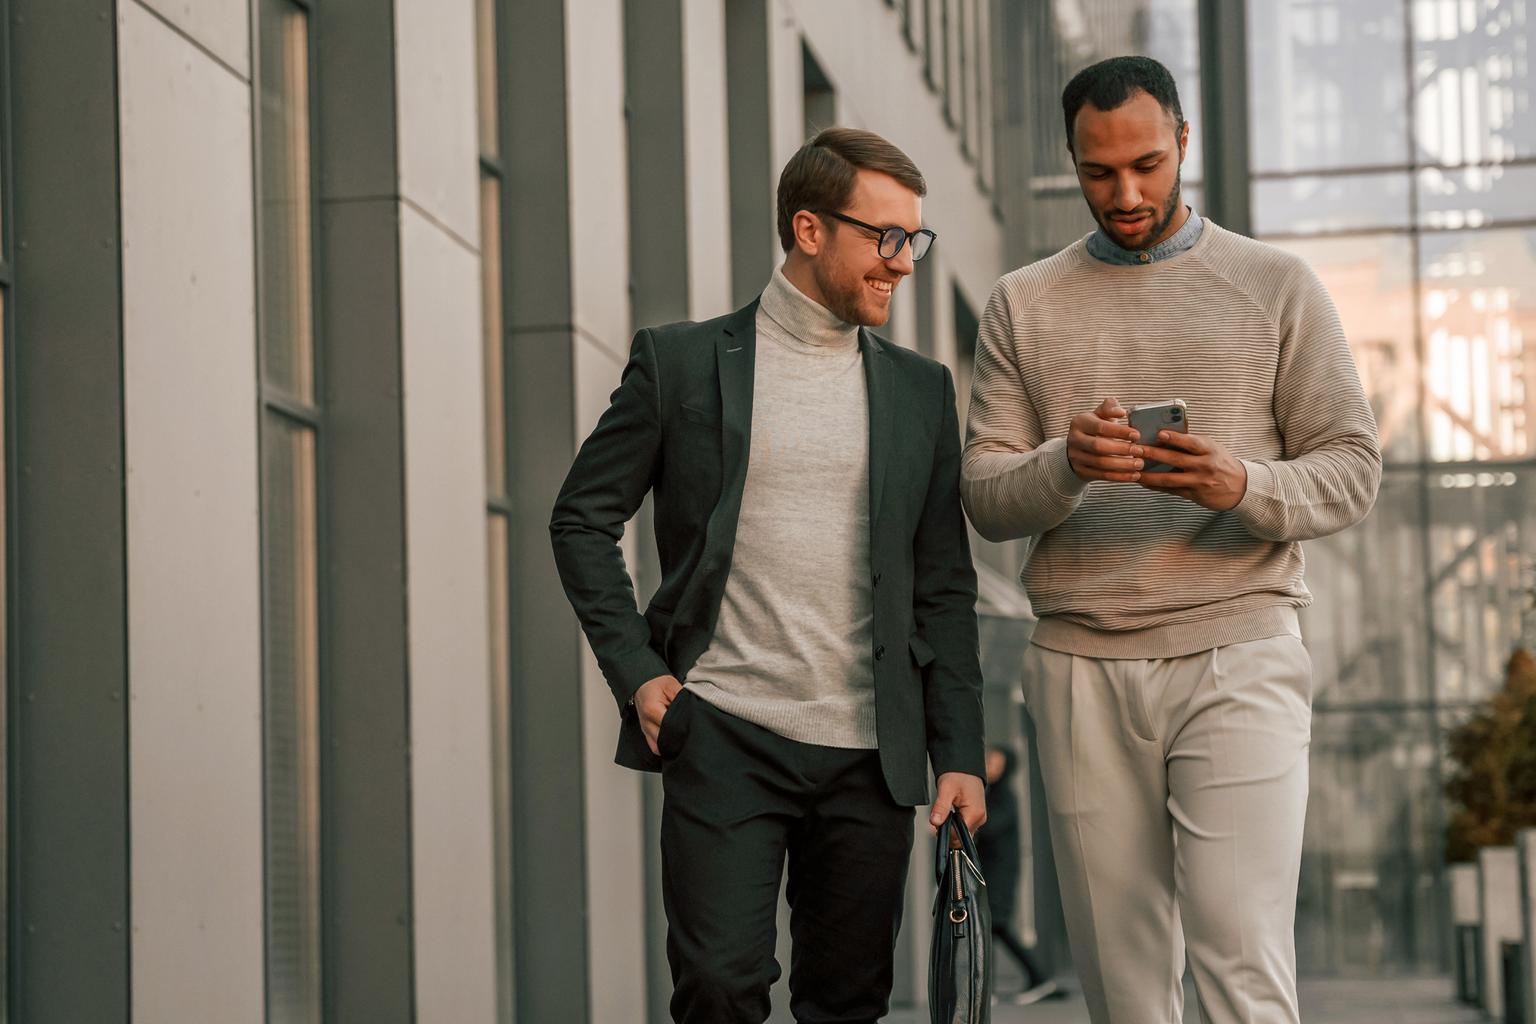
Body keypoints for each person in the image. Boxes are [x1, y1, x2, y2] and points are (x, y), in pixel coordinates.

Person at [959, 55, 1382, 1024]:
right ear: (1072, 161)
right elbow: (984, 492)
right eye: (1100, 172)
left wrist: (1245, 483)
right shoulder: (1024, 303)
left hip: (1240, 649)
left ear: (1184, 142)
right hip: (1080, 667)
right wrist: (1066, 461)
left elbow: (1353, 464)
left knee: (1241, 959)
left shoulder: (1276, 286)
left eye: (1147, 163)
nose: (1128, 192)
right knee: (1123, 985)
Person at [550, 126, 987, 1024]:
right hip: (726, 735)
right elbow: (581, 518)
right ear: (810, 228)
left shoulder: (921, 391)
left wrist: (960, 754)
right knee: (718, 987)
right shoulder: (681, 365)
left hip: (871, 753)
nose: (903, 263)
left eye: (915, 239)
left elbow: (943, 582)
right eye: (886, 237)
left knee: (848, 1001)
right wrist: (637, 674)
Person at [974, 745, 1060, 1006]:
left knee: (992, 926)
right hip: (991, 872)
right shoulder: (994, 795)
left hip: (999, 874)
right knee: (992, 927)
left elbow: (990, 828)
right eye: (987, 759)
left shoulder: (1005, 797)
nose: (989, 764)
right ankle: (1035, 980)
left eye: (995, 761)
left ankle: (1029, 981)